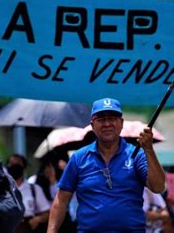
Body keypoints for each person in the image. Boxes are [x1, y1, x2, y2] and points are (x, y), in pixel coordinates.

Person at [47, 97, 166, 232]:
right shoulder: (79, 158)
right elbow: (61, 200)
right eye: (101, 119)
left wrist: (149, 149)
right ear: (92, 125)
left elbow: (158, 187)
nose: (107, 124)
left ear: (121, 123)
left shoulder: (137, 155)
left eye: (112, 118)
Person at [6, 154, 50, 233]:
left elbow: (47, 212)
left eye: (18, 164)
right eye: (12, 163)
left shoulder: (34, 189)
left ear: (24, 168)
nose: (15, 166)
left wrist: (38, 219)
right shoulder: (2, 190)